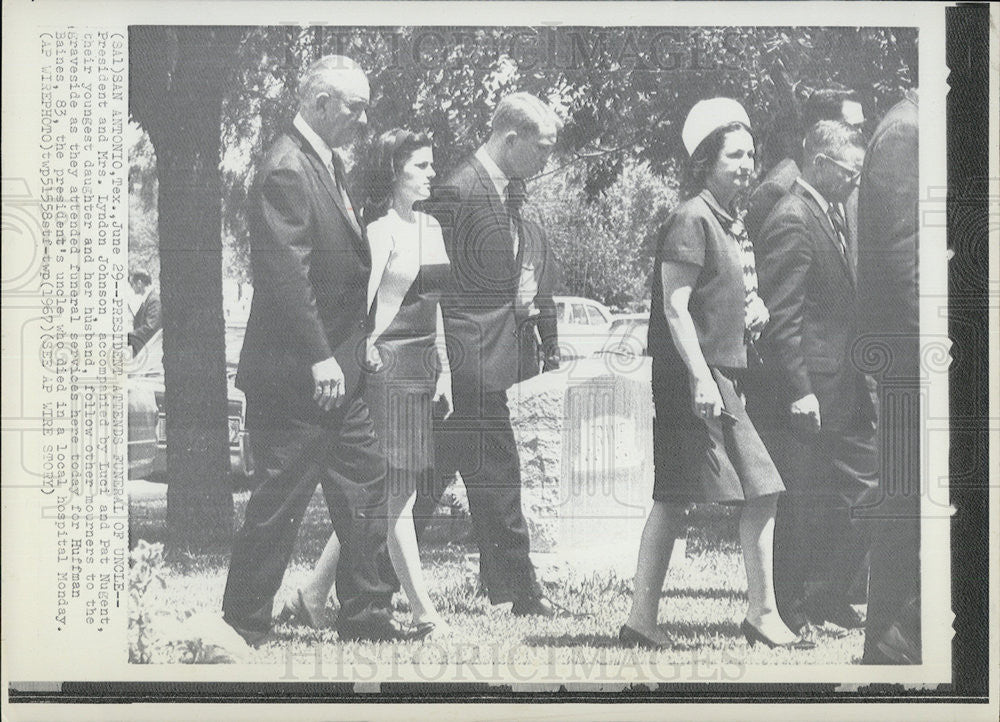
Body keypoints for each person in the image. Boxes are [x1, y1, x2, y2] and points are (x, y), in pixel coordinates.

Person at [222, 56, 427, 644]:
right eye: (355, 107)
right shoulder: (287, 168)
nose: (364, 120)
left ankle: (367, 616)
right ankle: (243, 620)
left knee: (367, 485)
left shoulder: (324, 161)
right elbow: (287, 277)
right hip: (297, 375)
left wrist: (352, 349)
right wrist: (319, 357)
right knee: (279, 498)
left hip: (340, 369)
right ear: (318, 103)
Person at [620, 98, 813, 651]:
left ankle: (645, 621)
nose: (748, 164)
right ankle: (758, 613)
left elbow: (717, 297)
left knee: (690, 496)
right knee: (750, 490)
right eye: (735, 155)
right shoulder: (691, 218)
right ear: (706, 161)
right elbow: (675, 307)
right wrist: (702, 380)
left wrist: (753, 310)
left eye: (752, 154)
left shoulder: (728, 221)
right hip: (697, 381)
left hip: (720, 376)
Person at [287, 129, 453, 637]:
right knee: (394, 494)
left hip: (421, 367)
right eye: (420, 166)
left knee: (388, 496)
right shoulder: (378, 231)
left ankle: (313, 592)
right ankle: (424, 612)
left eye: (432, 165)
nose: (430, 174)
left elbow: (436, 304)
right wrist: (359, 356)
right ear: (394, 171)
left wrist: (443, 366)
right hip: (385, 368)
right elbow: (358, 307)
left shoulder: (433, 227)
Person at [417, 92, 568, 617]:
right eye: (542, 148)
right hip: (466, 365)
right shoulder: (458, 192)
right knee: (494, 477)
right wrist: (445, 367)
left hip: (485, 362)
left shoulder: (504, 193)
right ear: (511, 139)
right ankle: (519, 593)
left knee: (428, 481)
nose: (547, 160)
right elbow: (432, 290)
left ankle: (358, 585)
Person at [752, 121, 877, 632]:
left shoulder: (832, 213)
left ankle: (825, 597)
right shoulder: (792, 219)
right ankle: (794, 607)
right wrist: (800, 390)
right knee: (803, 501)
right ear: (821, 164)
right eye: (850, 172)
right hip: (808, 392)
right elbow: (784, 316)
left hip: (843, 386)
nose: (855, 181)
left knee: (860, 487)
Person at [857, 89, 920, 665]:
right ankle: (894, 642)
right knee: (908, 500)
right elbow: (905, 265)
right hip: (916, 365)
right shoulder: (907, 134)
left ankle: (900, 639)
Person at [746, 88, 866, 243]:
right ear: (821, 129)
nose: (860, 136)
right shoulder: (777, 189)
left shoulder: (849, 179)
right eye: (852, 128)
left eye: (862, 127)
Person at [128, 268, 161, 355]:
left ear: (139, 283)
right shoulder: (148, 299)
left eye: (132, 285)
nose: (132, 288)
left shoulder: (154, 300)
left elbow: (150, 327)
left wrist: (127, 338)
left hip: (150, 352)